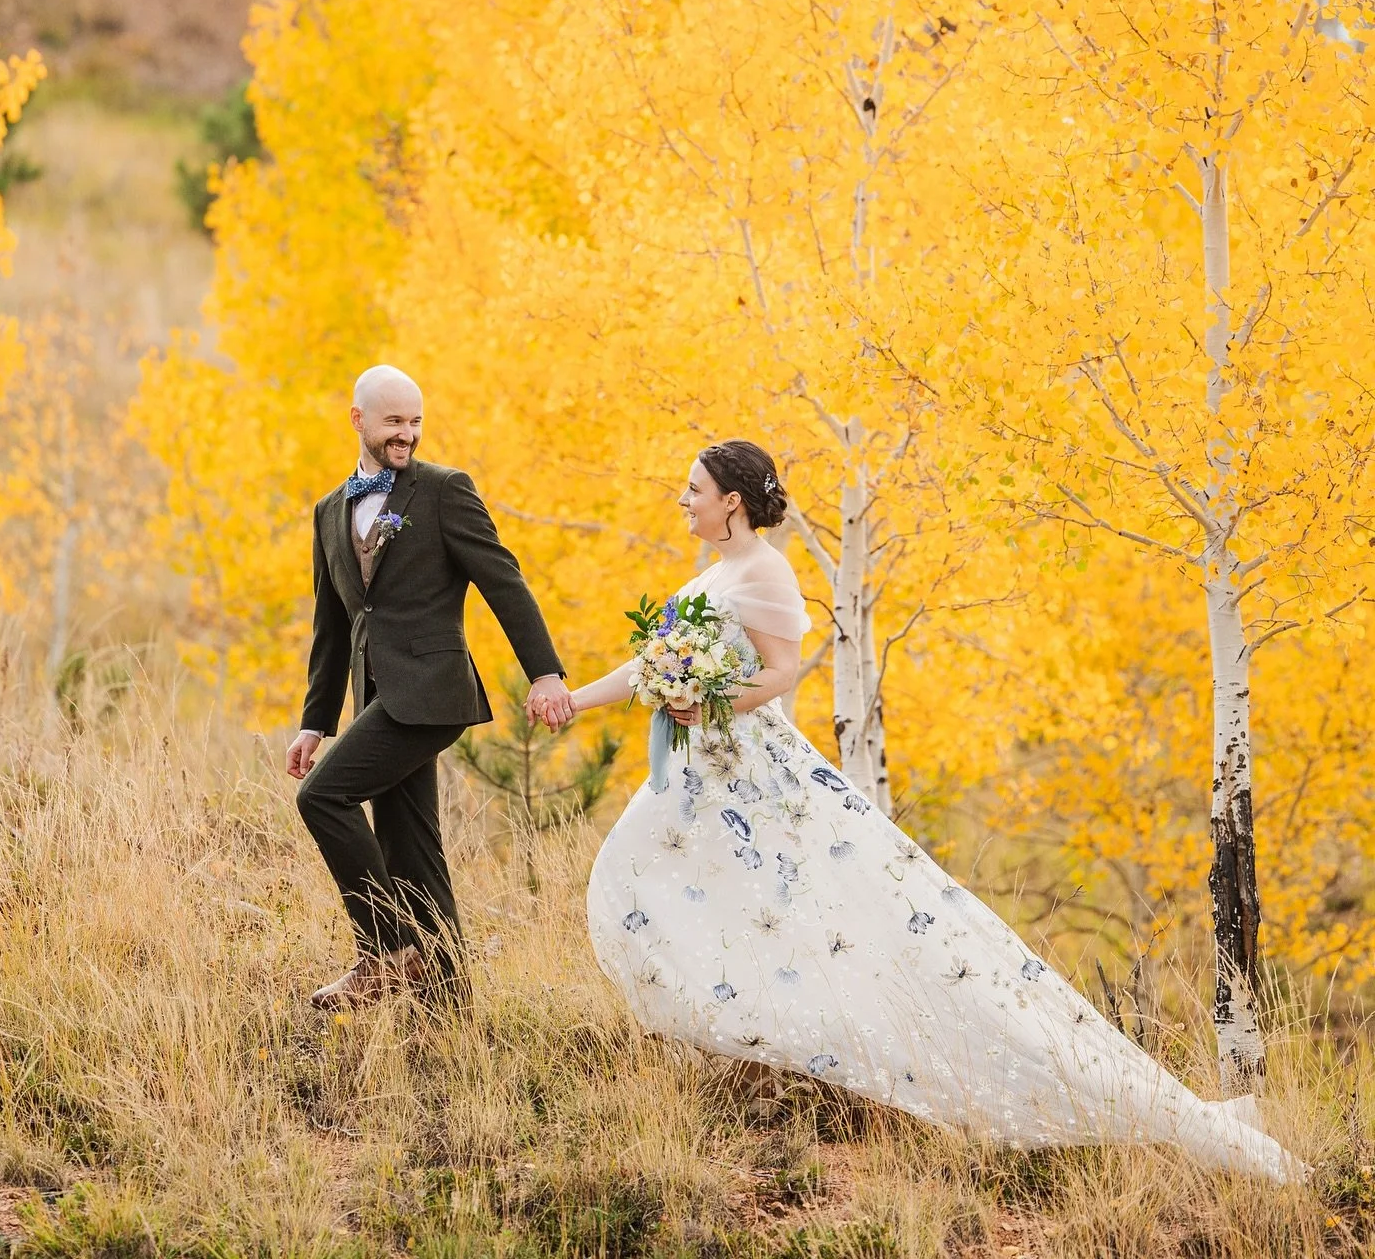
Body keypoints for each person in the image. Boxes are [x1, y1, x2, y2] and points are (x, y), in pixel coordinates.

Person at [535, 438, 1300, 1182]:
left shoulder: (766, 573)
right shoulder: (717, 570)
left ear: (730, 502)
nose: (683, 500)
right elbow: (652, 661)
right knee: (668, 884)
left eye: (693, 490)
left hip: (747, 765)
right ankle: (740, 1037)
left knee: (802, 908)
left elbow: (778, 673)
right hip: (701, 767)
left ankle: (798, 1040)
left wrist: (708, 699)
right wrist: (576, 699)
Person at [287, 365, 573, 1008]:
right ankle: (448, 1005)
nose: (406, 435)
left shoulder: (444, 491)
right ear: (358, 419)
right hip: (377, 696)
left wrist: (546, 672)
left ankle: (386, 951)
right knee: (410, 842)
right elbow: (331, 624)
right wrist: (316, 720)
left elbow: (504, 580)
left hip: (435, 690)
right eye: (394, 422)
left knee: (322, 798)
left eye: (415, 422)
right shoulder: (329, 512)